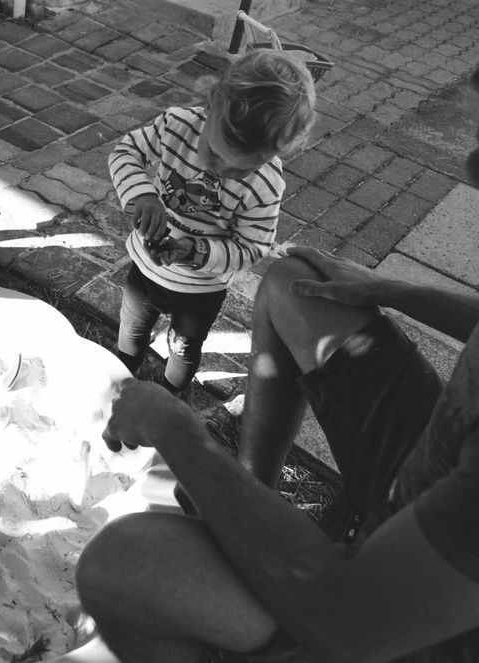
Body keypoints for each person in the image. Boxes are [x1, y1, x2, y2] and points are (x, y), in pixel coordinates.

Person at [48, 67, 479, 663]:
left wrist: (183, 436)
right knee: (294, 283)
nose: (470, 167)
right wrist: (391, 289)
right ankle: (256, 488)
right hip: (437, 440)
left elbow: (355, 625)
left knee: (119, 564)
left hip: (413, 622)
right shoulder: (178, 130)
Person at [108, 49, 316, 396]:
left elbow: (253, 246)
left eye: (242, 168)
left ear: (276, 152)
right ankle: (117, 386)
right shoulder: (176, 124)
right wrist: (143, 194)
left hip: (200, 291)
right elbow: (125, 151)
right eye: (216, 152)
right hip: (144, 270)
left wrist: (198, 250)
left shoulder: (266, 184)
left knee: (184, 349)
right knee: (130, 330)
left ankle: (171, 396)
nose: (221, 171)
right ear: (209, 106)